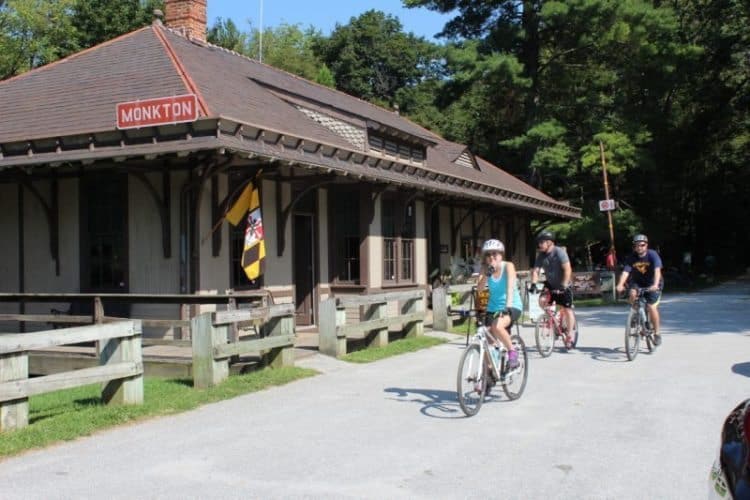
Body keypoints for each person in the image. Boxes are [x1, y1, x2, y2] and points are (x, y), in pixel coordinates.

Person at [476, 239, 524, 368]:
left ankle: (512, 353)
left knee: (497, 326)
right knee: (486, 339)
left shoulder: (508, 266)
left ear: (501, 255)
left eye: (494, 254)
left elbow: (510, 288)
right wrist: (486, 275)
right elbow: (479, 289)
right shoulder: (485, 269)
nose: (491, 257)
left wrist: (507, 307)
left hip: (512, 305)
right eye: (488, 254)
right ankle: (490, 374)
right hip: (493, 307)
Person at [529, 230, 576, 347]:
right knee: (542, 301)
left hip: (564, 284)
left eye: (541, 242)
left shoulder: (559, 252)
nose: (539, 245)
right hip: (550, 284)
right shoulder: (541, 255)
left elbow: (567, 269)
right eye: (538, 243)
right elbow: (536, 271)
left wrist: (564, 285)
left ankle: (569, 335)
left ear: (549, 242)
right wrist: (533, 284)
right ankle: (552, 318)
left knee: (567, 310)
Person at [616, 234, 664, 345]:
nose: (639, 247)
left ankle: (657, 333)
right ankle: (635, 315)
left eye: (642, 245)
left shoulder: (652, 254)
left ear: (646, 245)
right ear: (634, 247)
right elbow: (626, 272)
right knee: (632, 293)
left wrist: (655, 284)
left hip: (653, 283)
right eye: (637, 245)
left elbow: (657, 270)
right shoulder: (631, 257)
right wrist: (620, 284)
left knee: (651, 307)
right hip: (638, 283)